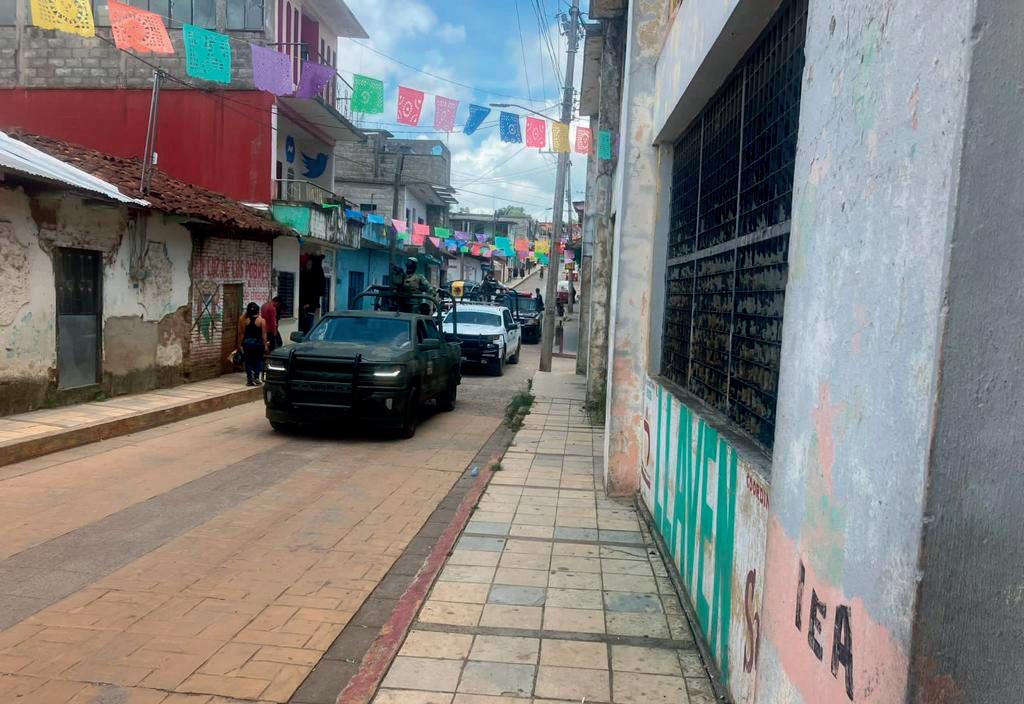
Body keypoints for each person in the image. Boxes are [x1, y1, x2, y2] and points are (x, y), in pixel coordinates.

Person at [237, 302, 268, 386]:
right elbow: (264, 334)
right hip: (258, 344)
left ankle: (249, 379)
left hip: (247, 344)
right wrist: (265, 345)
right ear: (258, 311)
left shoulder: (245, 320)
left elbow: (242, 334)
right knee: (259, 360)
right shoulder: (261, 321)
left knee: (248, 361)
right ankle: (256, 377)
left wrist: (239, 344)